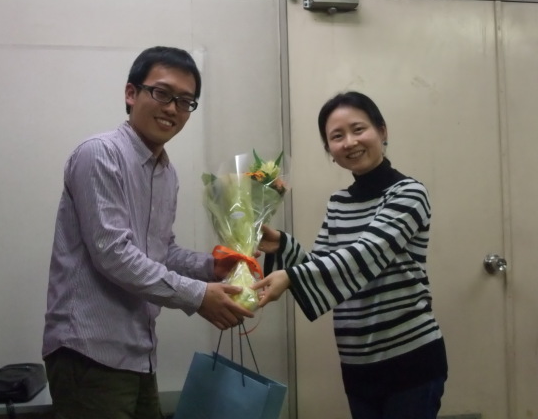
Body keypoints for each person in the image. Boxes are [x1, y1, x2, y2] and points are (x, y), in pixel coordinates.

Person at [42, 46, 253, 419]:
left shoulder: (166, 172)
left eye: (185, 101)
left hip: (139, 352)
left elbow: (161, 251)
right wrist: (198, 296)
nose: (172, 108)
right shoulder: (99, 154)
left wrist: (212, 268)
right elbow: (114, 254)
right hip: (89, 351)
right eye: (162, 93)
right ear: (131, 93)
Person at [253, 91, 447, 419]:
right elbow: (323, 269)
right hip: (357, 366)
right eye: (337, 136)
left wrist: (290, 277)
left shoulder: (409, 193)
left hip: (411, 360)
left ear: (382, 131)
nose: (350, 142)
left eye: (359, 129)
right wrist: (282, 245)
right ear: (329, 150)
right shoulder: (339, 202)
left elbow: (365, 255)